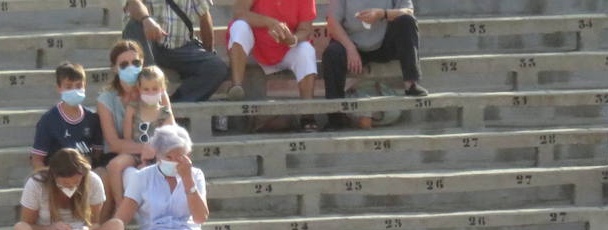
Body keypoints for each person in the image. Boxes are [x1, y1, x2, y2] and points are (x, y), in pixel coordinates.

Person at [323, 0, 426, 130]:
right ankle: (335, 117)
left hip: (385, 42)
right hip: (353, 44)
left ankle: (411, 83)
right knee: (332, 53)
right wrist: (350, 47)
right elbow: (332, 22)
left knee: (407, 21)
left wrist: (382, 14)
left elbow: (408, 11)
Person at [225, 0, 318, 130]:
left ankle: (308, 114)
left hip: (286, 47)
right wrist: (270, 22)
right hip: (255, 47)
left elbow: (305, 29)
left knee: (306, 50)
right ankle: (236, 87)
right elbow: (238, 13)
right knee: (239, 26)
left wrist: (293, 39)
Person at [101, 61, 174, 215]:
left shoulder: (165, 113)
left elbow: (169, 137)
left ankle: (168, 203)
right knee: (114, 166)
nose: (150, 92)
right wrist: (141, 158)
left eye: (155, 89)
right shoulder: (132, 109)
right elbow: (128, 138)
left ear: (162, 90)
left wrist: (152, 155)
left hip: (158, 154)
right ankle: (122, 206)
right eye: (146, 89)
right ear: (139, 89)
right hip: (135, 152)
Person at [121, 0, 227, 103]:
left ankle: (176, 103)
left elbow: (204, 16)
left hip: (180, 46)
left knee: (217, 67)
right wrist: (146, 19)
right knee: (134, 25)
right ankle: (148, 93)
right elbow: (133, 3)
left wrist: (208, 54)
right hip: (147, 42)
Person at [31, 63, 104, 170]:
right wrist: (49, 180)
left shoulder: (92, 118)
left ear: (85, 86)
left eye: (79, 86)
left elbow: (97, 153)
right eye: (69, 86)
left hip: (85, 174)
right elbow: (37, 159)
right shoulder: (48, 120)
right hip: (58, 176)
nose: (74, 90)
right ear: (59, 88)